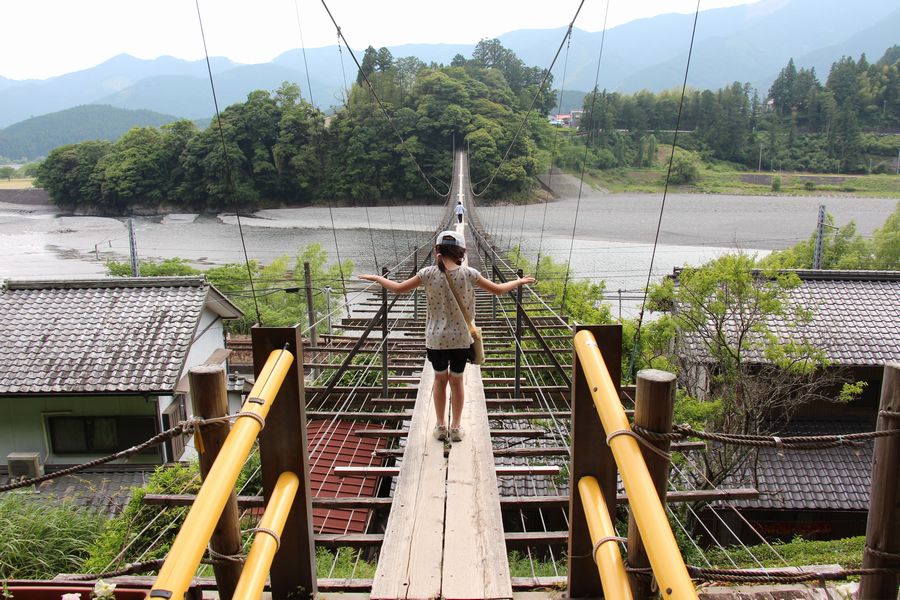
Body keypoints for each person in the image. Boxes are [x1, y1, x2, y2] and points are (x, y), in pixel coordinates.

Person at [359, 230, 534, 442]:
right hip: (461, 339)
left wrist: (377, 278)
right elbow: (498, 290)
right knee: (457, 382)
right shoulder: (469, 273)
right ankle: (456, 427)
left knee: (440, 380)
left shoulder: (427, 273)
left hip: (436, 340)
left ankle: (441, 426)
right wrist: (518, 282)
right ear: (461, 252)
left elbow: (397, 289)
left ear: (437, 251)